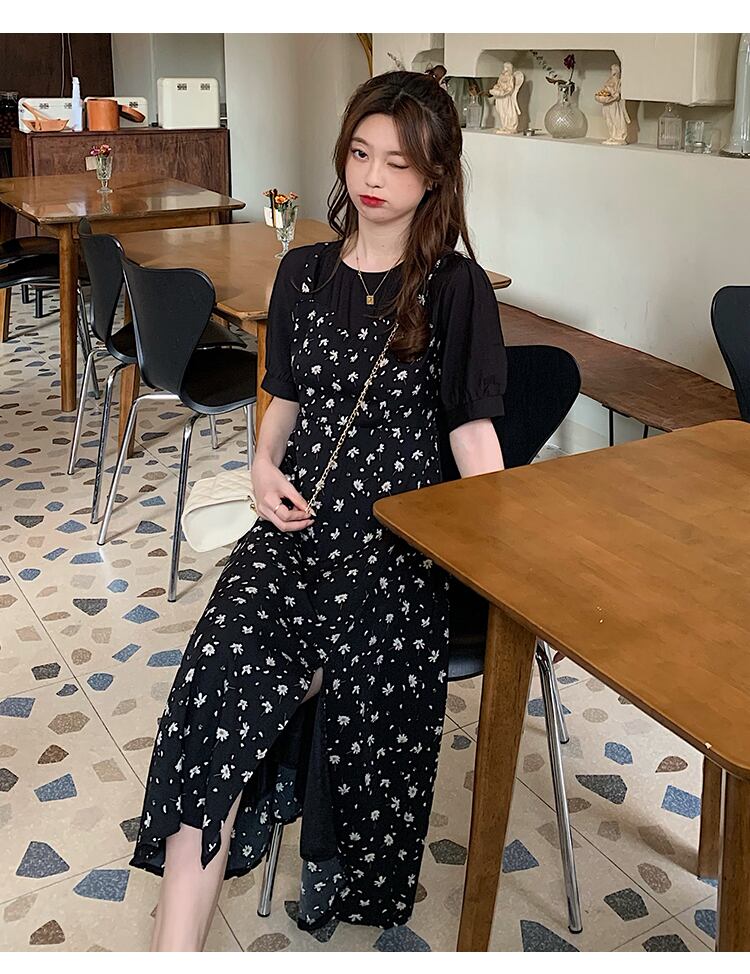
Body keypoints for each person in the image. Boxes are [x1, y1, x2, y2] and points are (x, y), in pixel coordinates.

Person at [129, 69, 508, 952]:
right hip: (295, 533)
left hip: (396, 549)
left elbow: (473, 435)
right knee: (215, 681)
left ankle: (315, 817)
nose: (374, 177)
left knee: (335, 691)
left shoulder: (455, 288)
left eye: (399, 163)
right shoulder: (302, 272)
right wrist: (262, 467)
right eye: (361, 153)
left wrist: (513, 561)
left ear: (435, 177)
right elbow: (285, 402)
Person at [595, 64, 630, 145]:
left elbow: (619, 94)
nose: (612, 72)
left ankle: (618, 136)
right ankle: (612, 136)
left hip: (614, 104)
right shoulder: (609, 80)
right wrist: (604, 95)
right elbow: (605, 90)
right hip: (607, 104)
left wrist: (613, 96)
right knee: (609, 120)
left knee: (616, 120)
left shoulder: (619, 82)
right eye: (611, 70)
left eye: (614, 70)